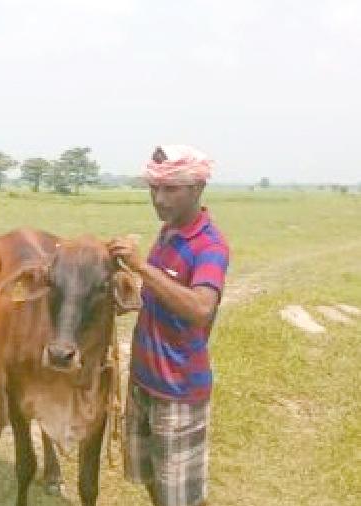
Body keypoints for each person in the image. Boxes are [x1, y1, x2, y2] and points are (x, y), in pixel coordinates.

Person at [108, 145, 230, 506]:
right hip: (145, 379)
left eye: (170, 189)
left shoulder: (210, 245)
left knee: (180, 494)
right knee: (152, 479)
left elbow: (201, 309)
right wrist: (126, 295)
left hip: (179, 388)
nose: (158, 199)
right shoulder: (167, 232)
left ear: (197, 189)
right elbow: (161, 296)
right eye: (153, 188)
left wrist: (143, 268)